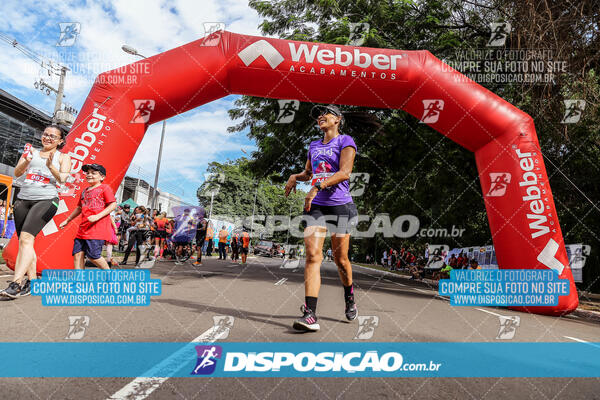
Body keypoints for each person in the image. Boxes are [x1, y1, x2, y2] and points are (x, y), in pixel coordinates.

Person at [284, 104, 358, 332]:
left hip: (340, 206)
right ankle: (310, 313)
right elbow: (310, 172)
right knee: (313, 256)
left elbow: (344, 172)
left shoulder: (345, 141)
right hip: (316, 207)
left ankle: (349, 296)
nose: (320, 117)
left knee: (341, 260)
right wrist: (295, 176)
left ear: (338, 119)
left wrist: (317, 187)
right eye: (317, 115)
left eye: (325, 113)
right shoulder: (313, 146)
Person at [1, 125, 71, 299]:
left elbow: (63, 179)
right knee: (27, 243)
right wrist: (25, 161)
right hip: (23, 199)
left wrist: (50, 166)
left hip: (47, 200)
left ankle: (16, 283)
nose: (48, 138)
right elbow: (17, 173)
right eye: (46, 135)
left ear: (60, 141)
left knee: (25, 238)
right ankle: (33, 282)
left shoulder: (63, 157)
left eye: (53, 136)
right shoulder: (30, 152)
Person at [60, 164, 116, 270]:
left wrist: (97, 216)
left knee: (93, 256)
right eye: (88, 173)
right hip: (83, 229)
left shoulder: (104, 188)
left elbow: (113, 205)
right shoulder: (84, 191)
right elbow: (79, 208)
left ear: (102, 177)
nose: (89, 175)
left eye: (93, 173)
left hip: (97, 229)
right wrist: (67, 220)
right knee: (77, 254)